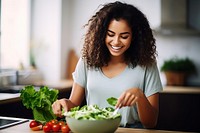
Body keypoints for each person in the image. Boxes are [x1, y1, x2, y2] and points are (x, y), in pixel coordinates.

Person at [52, 1, 163, 129]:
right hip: (93, 130)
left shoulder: (147, 65)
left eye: (124, 36)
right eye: (110, 34)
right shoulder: (87, 61)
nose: (116, 42)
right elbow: (73, 105)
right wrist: (64, 103)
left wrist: (139, 96)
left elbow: (151, 122)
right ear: (101, 33)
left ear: (134, 37)